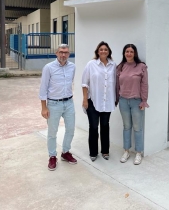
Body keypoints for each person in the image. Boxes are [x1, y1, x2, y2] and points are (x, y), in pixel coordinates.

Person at [39, 43, 77, 171]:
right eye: (61, 52)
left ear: (69, 54)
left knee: (71, 129)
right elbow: (43, 88)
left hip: (69, 103)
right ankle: (52, 156)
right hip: (53, 104)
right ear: (56, 53)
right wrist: (44, 107)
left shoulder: (72, 67)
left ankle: (65, 152)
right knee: (52, 132)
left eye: (66, 52)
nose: (63, 54)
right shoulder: (48, 67)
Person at [82, 41, 116, 161]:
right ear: (97, 51)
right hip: (93, 101)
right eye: (101, 49)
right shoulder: (91, 64)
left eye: (105, 49)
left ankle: (105, 151)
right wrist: (85, 100)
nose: (103, 51)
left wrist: (115, 98)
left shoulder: (113, 65)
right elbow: (84, 83)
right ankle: (93, 152)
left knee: (105, 126)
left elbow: (115, 83)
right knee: (93, 127)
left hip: (108, 101)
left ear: (109, 52)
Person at [116, 44, 149, 165]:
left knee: (137, 128)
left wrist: (143, 100)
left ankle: (138, 152)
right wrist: (116, 99)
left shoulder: (141, 67)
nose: (129, 53)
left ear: (135, 53)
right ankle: (126, 151)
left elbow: (144, 85)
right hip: (123, 101)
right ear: (124, 53)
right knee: (126, 127)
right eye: (127, 51)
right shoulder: (120, 67)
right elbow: (117, 85)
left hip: (136, 101)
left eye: (131, 51)